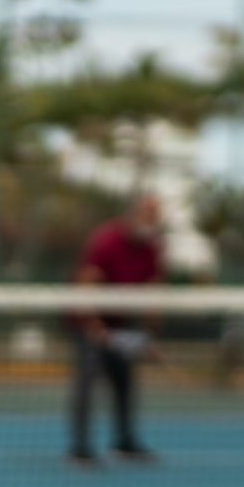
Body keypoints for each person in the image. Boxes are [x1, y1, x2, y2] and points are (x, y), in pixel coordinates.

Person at [69, 195, 165, 466]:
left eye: (155, 218)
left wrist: (151, 337)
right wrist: (93, 326)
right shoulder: (107, 240)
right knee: (88, 379)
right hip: (85, 317)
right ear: (132, 216)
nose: (152, 223)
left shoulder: (152, 248)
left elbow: (152, 293)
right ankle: (81, 447)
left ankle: (124, 441)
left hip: (118, 322)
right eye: (148, 216)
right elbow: (86, 284)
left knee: (124, 379)